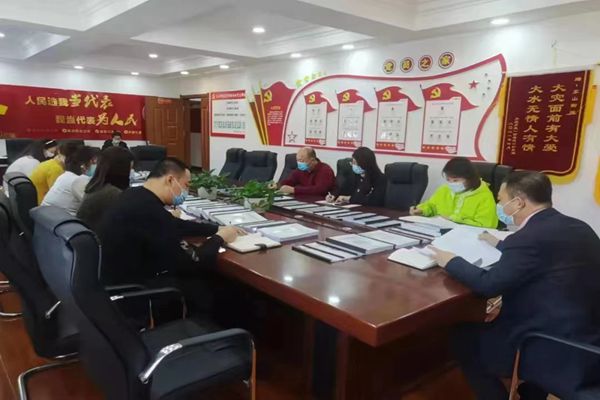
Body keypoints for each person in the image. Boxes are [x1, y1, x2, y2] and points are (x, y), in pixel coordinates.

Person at [429, 171, 600, 400]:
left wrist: (451, 261)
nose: (500, 206)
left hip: (547, 342)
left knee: (463, 339)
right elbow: (546, 256)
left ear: (518, 203)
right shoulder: (578, 227)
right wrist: (501, 244)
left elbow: (489, 285)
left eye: (501, 199)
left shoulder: (527, 238)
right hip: (588, 335)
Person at [97, 157, 244, 313]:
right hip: (135, 295)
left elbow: (174, 224)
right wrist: (219, 238)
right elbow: (193, 261)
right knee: (216, 285)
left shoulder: (135, 195)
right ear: (170, 180)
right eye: (186, 185)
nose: (186, 192)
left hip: (118, 283)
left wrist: (215, 228)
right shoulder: (149, 211)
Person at [410, 157, 497, 228]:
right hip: (439, 232)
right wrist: (421, 210)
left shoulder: (484, 196)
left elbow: (486, 226)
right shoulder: (444, 189)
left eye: (456, 180)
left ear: (470, 179)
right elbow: (431, 206)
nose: (451, 183)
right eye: (448, 180)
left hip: (468, 237)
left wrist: (454, 219)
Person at [77, 147, 134, 231]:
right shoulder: (111, 193)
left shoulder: (96, 186)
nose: (131, 172)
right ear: (121, 170)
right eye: (129, 169)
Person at [41, 146, 98, 215]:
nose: (96, 166)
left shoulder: (65, 175)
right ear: (83, 165)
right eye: (93, 162)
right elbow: (93, 205)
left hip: (46, 216)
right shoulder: (79, 180)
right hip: (63, 219)